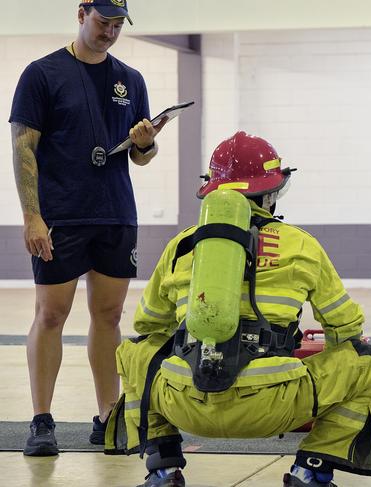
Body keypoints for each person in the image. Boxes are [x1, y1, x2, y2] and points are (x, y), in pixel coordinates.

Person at [102, 131, 371, 487]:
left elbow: (148, 324)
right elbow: (346, 328)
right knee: (368, 361)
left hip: (183, 400)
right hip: (273, 403)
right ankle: (311, 472)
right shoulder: (301, 244)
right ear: (269, 193)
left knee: (134, 352)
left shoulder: (181, 245)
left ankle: (163, 470)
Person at [10, 0, 166, 457]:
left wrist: (147, 142)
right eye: (103, 22)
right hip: (60, 216)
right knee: (51, 314)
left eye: (118, 25)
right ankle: (41, 420)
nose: (110, 32)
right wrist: (32, 216)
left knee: (109, 317)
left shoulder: (131, 80)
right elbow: (23, 149)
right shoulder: (41, 74)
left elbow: (141, 157)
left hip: (115, 213)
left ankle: (107, 416)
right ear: (82, 14)